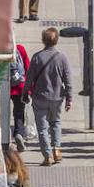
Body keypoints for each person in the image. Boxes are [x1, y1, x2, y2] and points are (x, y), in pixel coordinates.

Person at [24, 27, 72, 166]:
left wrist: (25, 92)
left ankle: (47, 155)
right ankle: (57, 149)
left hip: (40, 97)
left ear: (43, 40)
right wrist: (69, 98)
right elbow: (68, 80)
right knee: (56, 123)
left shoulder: (37, 57)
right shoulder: (62, 58)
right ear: (56, 40)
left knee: (42, 127)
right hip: (57, 97)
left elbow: (29, 78)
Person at [9, 40, 30, 151]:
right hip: (20, 86)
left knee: (1, 114)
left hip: (4, 87)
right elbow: (28, 68)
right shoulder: (20, 48)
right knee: (19, 112)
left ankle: (4, 137)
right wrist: (29, 89)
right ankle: (19, 133)